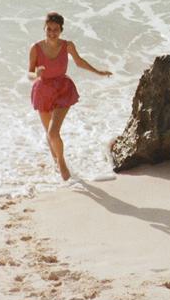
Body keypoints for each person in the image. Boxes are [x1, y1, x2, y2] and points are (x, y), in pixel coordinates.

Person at [28, 12, 112, 181]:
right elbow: (29, 74)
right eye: (49, 29)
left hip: (62, 89)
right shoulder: (36, 48)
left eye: (56, 29)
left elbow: (79, 62)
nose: (52, 32)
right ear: (44, 28)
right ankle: (55, 164)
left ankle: (62, 166)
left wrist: (98, 72)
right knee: (49, 133)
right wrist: (36, 73)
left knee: (53, 132)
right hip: (43, 90)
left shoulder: (67, 46)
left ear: (61, 30)